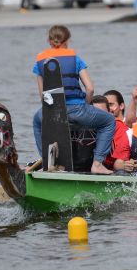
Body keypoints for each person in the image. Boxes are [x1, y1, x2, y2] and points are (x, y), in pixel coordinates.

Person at [32, 25, 115, 174]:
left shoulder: (40, 62)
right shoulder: (75, 59)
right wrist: (86, 105)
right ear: (68, 40)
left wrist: (52, 112)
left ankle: (48, 162)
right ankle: (97, 164)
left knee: (37, 122)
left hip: (51, 113)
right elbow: (90, 88)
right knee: (109, 121)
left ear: (49, 41)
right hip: (78, 110)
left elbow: (42, 95)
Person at [91, 95, 132, 172]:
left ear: (109, 113)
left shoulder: (120, 127)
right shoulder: (82, 126)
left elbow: (120, 162)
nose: (98, 116)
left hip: (113, 169)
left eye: (102, 112)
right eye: (94, 112)